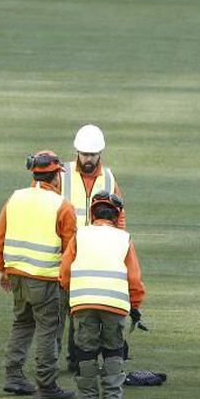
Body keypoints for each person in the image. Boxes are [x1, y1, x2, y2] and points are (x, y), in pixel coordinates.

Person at [0, 150, 78, 399]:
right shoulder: (62, 206)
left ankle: (14, 375)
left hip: (17, 276)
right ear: (55, 177)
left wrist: (2, 269)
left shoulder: (16, 198)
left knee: (22, 323)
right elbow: (71, 249)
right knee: (49, 330)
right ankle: (47, 383)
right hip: (47, 280)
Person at [59, 192, 146, 399]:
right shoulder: (123, 238)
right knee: (113, 350)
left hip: (83, 303)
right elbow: (134, 278)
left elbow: (65, 271)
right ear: (117, 215)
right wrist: (135, 306)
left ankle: (88, 398)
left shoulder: (80, 236)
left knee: (85, 351)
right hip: (115, 304)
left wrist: (73, 292)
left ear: (92, 213)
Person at [59, 123, 125, 371]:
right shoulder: (62, 174)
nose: (88, 159)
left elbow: (119, 214)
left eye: (92, 155)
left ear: (100, 153)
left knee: (82, 312)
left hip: (95, 258)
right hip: (66, 254)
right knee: (60, 314)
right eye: (84, 154)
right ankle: (57, 361)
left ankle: (77, 361)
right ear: (77, 151)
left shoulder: (108, 177)